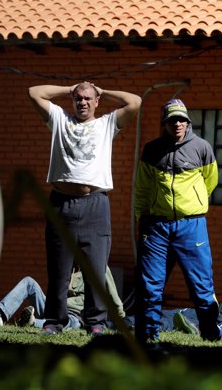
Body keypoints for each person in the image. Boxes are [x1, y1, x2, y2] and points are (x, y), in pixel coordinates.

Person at [28, 82, 141, 335]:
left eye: (88, 98)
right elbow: (34, 93)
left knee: (95, 269)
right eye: (78, 98)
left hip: (95, 206)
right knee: (59, 269)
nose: (83, 102)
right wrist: (68, 88)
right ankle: (54, 322)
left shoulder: (106, 124)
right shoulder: (59, 119)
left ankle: (95, 322)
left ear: (96, 101)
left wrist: (104, 91)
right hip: (61, 203)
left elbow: (135, 101)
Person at [134, 98, 220, 343]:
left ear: (188, 121)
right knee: (150, 287)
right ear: (165, 123)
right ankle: (148, 337)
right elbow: (141, 188)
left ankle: (210, 336)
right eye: (172, 120)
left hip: (191, 226)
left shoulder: (202, 147)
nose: (178, 124)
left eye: (182, 119)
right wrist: (142, 219)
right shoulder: (151, 150)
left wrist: (194, 202)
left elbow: (210, 181)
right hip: (156, 228)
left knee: (202, 287)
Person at [0, 266, 125, 329]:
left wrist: (122, 321)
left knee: (70, 323)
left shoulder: (100, 268)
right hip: (54, 307)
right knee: (29, 282)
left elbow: (113, 297)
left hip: (76, 316)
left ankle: (33, 322)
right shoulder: (67, 266)